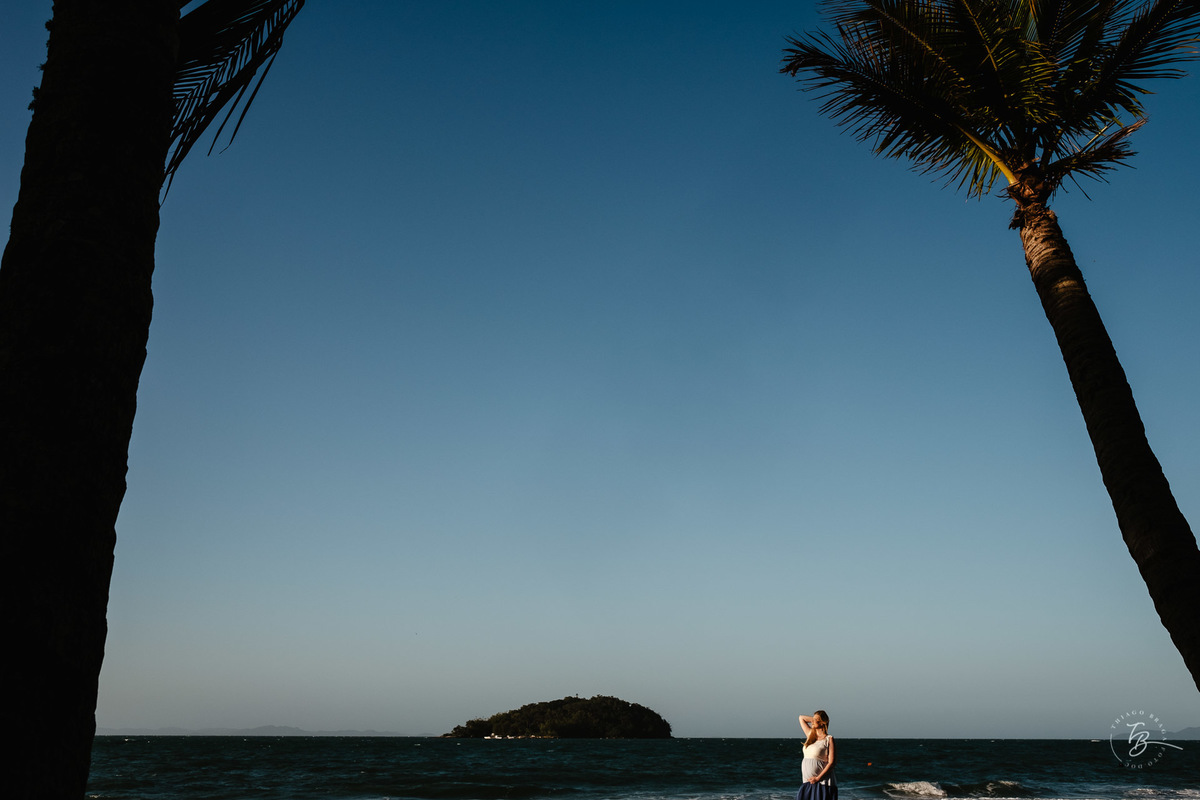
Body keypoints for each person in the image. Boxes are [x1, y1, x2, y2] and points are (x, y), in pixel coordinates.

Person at [797, 710, 837, 800]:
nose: (812, 721)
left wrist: (818, 778)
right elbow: (801, 718)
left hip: (822, 782)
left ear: (822, 722)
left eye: (815, 719)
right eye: (812, 719)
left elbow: (832, 763)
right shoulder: (810, 735)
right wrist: (815, 720)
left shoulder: (829, 739)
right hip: (807, 782)